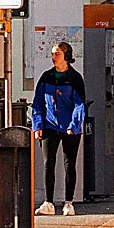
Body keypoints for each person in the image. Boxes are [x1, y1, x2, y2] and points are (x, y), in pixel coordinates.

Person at [30, 41, 87, 216]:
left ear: (66, 56)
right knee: (48, 163)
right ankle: (48, 202)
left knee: (70, 164)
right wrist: (37, 125)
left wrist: (74, 125)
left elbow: (79, 104)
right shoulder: (46, 77)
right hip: (49, 125)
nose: (53, 57)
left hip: (70, 128)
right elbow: (38, 103)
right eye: (53, 54)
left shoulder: (75, 78)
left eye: (57, 54)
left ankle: (68, 203)